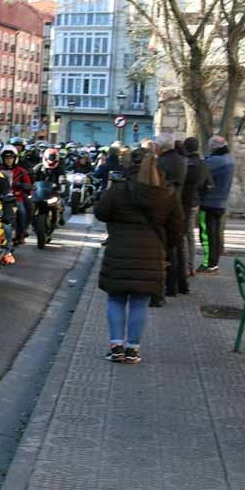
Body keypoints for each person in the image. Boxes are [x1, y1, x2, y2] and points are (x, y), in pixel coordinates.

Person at [95, 149, 182, 364]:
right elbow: (177, 229)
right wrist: (164, 247)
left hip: (119, 252)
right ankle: (133, 349)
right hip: (151, 254)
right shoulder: (168, 193)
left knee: (116, 298)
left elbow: (100, 212)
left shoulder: (119, 189)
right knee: (140, 301)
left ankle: (116, 346)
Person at [154, 133, 188, 295]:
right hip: (178, 205)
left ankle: (169, 286)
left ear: (160, 147)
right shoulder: (182, 160)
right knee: (178, 247)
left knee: (167, 249)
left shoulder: (160, 162)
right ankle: (180, 285)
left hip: (163, 206)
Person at [197, 135, 235, 274]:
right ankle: (214, 263)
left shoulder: (215, 160)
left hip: (209, 202)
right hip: (221, 203)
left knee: (206, 234)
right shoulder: (229, 158)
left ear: (213, 146)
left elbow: (201, 167)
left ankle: (209, 264)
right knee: (215, 235)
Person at [181, 136, 212, 276]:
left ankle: (184, 266)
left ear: (185, 148)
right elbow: (209, 184)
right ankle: (190, 266)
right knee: (189, 235)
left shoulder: (184, 163)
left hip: (182, 201)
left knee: (182, 234)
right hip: (194, 202)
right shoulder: (203, 164)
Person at [0, 145, 32, 245]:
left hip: (16, 198)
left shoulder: (22, 171)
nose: (9, 160)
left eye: (11, 158)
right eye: (6, 158)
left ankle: (20, 234)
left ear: (15, 158)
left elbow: (28, 185)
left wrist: (20, 185)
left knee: (22, 212)